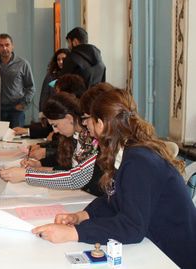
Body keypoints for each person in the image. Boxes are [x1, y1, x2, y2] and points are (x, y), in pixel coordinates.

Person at [31, 89, 196, 269]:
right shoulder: (127, 151)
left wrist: (74, 233)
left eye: (89, 122)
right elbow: (115, 198)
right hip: (154, 242)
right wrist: (81, 216)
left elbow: (132, 227)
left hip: (173, 255)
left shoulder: (139, 161)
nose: (88, 129)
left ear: (101, 124)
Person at [0, 92, 100, 195]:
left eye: (55, 125)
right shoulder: (78, 136)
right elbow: (71, 169)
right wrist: (39, 167)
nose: (55, 131)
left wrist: (28, 175)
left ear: (69, 118)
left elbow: (75, 178)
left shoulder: (92, 141)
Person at [0, 33, 35, 128]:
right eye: (1, 45)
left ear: (12, 46)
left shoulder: (23, 63)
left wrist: (23, 104)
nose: (4, 48)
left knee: (16, 139)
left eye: (7, 45)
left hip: (16, 109)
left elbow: (31, 87)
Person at [39, 48, 70, 115]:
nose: (61, 62)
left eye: (63, 59)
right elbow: (44, 95)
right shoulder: (50, 76)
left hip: (69, 112)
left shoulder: (74, 75)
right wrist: (41, 113)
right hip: (53, 112)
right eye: (58, 59)